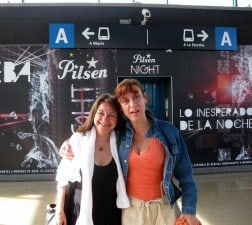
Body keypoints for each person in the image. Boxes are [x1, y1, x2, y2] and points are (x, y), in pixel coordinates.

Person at [60, 78, 200, 225]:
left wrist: (189, 210)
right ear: (121, 107)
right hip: (131, 210)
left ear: (145, 97)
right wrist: (69, 142)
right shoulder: (118, 135)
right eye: (125, 101)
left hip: (164, 208)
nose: (132, 104)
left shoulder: (168, 132)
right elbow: (92, 134)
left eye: (136, 97)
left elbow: (186, 177)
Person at [53, 93, 130, 225]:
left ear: (117, 120)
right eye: (101, 113)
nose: (105, 119)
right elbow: (63, 178)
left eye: (112, 115)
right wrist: (59, 211)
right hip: (79, 209)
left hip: (110, 212)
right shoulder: (78, 140)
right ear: (93, 114)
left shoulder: (121, 143)